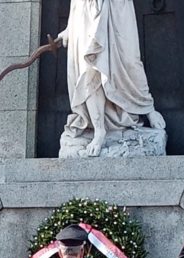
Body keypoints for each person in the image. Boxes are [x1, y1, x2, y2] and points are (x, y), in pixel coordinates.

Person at [58, 0, 166, 156]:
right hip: (85, 9)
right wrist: (70, 25)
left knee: (130, 62)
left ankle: (147, 108)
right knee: (89, 69)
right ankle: (99, 130)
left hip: (117, 7)